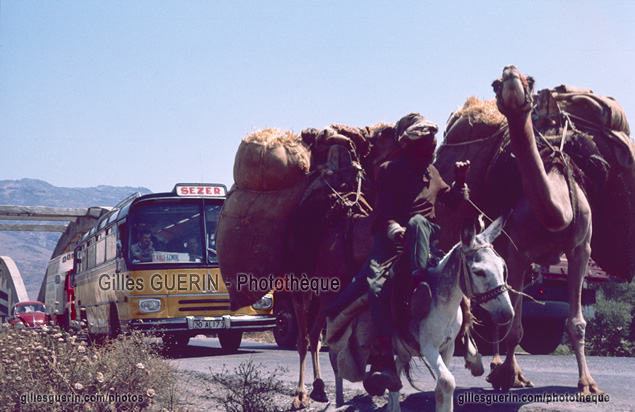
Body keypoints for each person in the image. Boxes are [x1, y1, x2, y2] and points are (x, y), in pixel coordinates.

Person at [327, 112, 470, 393]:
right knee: (376, 286)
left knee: (450, 262)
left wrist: (460, 181)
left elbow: (453, 202)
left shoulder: (433, 173)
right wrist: (394, 229)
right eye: (424, 147)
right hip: (391, 243)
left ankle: (461, 333)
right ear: (408, 146)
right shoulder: (390, 170)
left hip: (425, 240)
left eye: (432, 146)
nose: (430, 152)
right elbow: (381, 216)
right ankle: (384, 361)